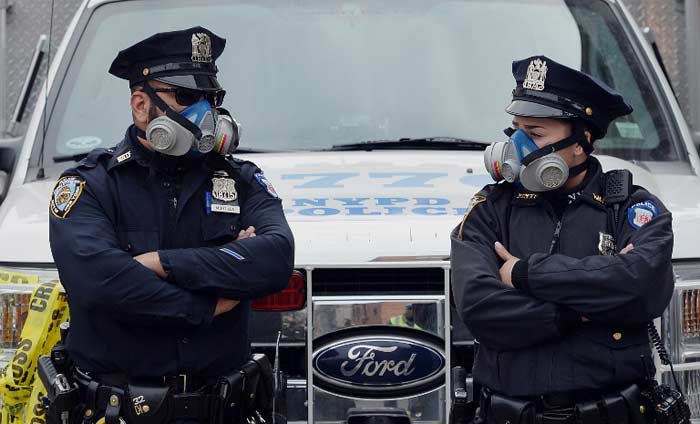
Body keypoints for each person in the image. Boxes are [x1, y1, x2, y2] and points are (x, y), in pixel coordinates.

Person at [48, 26, 294, 423]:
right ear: (141, 105)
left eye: (211, 98)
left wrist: (161, 263)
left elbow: (275, 259)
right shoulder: (90, 185)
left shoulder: (240, 179)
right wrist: (209, 301)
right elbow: (98, 281)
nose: (204, 112)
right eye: (185, 96)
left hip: (225, 410)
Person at [451, 56, 674, 423]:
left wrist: (524, 274)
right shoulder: (490, 210)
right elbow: (478, 307)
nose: (517, 146)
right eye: (515, 130)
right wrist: (583, 309)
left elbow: (639, 285)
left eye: (535, 134)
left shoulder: (632, 209)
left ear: (581, 142)